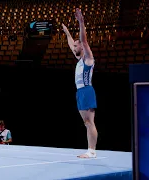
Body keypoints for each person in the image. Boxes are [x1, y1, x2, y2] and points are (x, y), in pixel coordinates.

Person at [62, 8, 98, 158]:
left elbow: (83, 40)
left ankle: (91, 151)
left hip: (87, 90)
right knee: (86, 123)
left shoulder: (88, 58)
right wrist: (67, 33)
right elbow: (72, 43)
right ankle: (90, 150)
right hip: (80, 92)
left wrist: (81, 22)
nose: (74, 47)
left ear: (82, 47)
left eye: (77, 46)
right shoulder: (79, 59)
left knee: (90, 122)